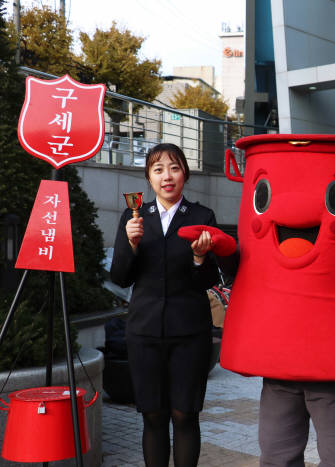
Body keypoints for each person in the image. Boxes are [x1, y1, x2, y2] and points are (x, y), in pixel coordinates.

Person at [110, 143, 225, 467]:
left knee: (184, 415)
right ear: (149, 177)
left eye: (174, 168)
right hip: (144, 332)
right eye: (158, 169)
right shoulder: (134, 217)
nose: (167, 176)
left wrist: (200, 257)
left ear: (185, 174)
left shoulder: (202, 216)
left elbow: (209, 281)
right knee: (154, 416)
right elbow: (120, 277)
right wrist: (130, 243)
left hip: (189, 332)